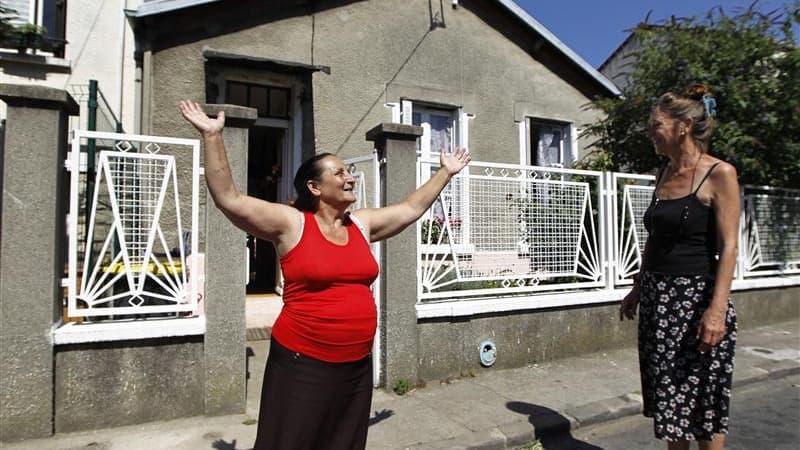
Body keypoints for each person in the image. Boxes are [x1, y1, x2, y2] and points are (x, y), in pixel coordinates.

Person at [179, 100, 470, 450]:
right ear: (315, 188)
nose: (349, 177)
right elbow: (229, 198)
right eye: (339, 173)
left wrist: (445, 173)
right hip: (303, 366)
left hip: (356, 367)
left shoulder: (361, 225)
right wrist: (212, 136)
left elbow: (410, 209)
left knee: (342, 443)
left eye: (348, 171)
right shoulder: (293, 224)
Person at [619, 84, 740, 450]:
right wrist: (638, 288)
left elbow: (730, 245)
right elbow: (655, 240)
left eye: (657, 124)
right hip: (660, 304)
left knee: (703, 410)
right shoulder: (663, 174)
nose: (651, 132)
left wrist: (716, 311)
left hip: (697, 301)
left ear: (683, 126)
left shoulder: (719, 174)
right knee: (672, 408)